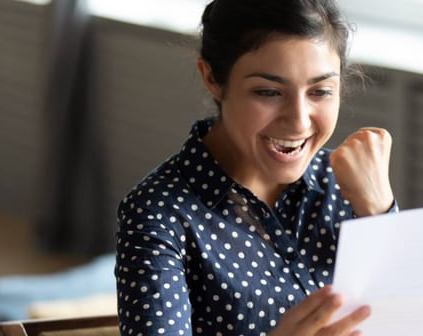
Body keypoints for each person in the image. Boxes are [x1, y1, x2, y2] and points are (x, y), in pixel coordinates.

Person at [115, 1, 397, 335]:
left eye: (320, 91)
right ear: (212, 78)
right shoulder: (158, 213)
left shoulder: (353, 184)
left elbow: (419, 319)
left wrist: (381, 211)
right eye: (268, 92)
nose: (298, 120)